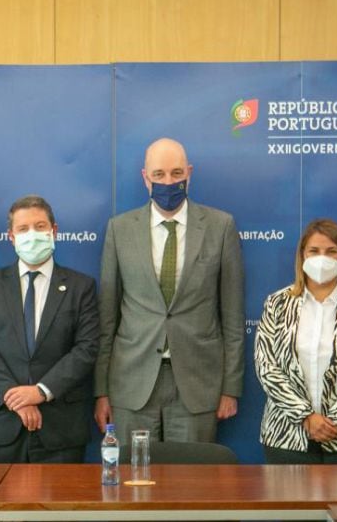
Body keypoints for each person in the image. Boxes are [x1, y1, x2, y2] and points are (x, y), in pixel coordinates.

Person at [94, 137, 245, 444]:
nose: (168, 181)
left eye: (176, 173)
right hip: (131, 382)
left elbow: (232, 316)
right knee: (132, 483)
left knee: (191, 486)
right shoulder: (119, 229)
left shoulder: (221, 226)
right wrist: (101, 391)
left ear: (189, 173)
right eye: (159, 174)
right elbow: (106, 319)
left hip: (197, 381)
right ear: (145, 177)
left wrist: (231, 387)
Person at [0, 195, 100, 463]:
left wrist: (40, 391)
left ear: (54, 231)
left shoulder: (81, 286)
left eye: (40, 227)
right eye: (23, 229)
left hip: (61, 428)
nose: (32, 235)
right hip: (1, 424)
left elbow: (86, 349)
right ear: (11, 237)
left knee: (60, 506)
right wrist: (15, 397)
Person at [254, 219, 337, 463]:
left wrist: (335, 420)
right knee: (292, 502)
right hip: (287, 436)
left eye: (331, 251)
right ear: (302, 256)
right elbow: (267, 368)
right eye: (314, 251)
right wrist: (306, 417)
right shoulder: (277, 303)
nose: (322, 258)